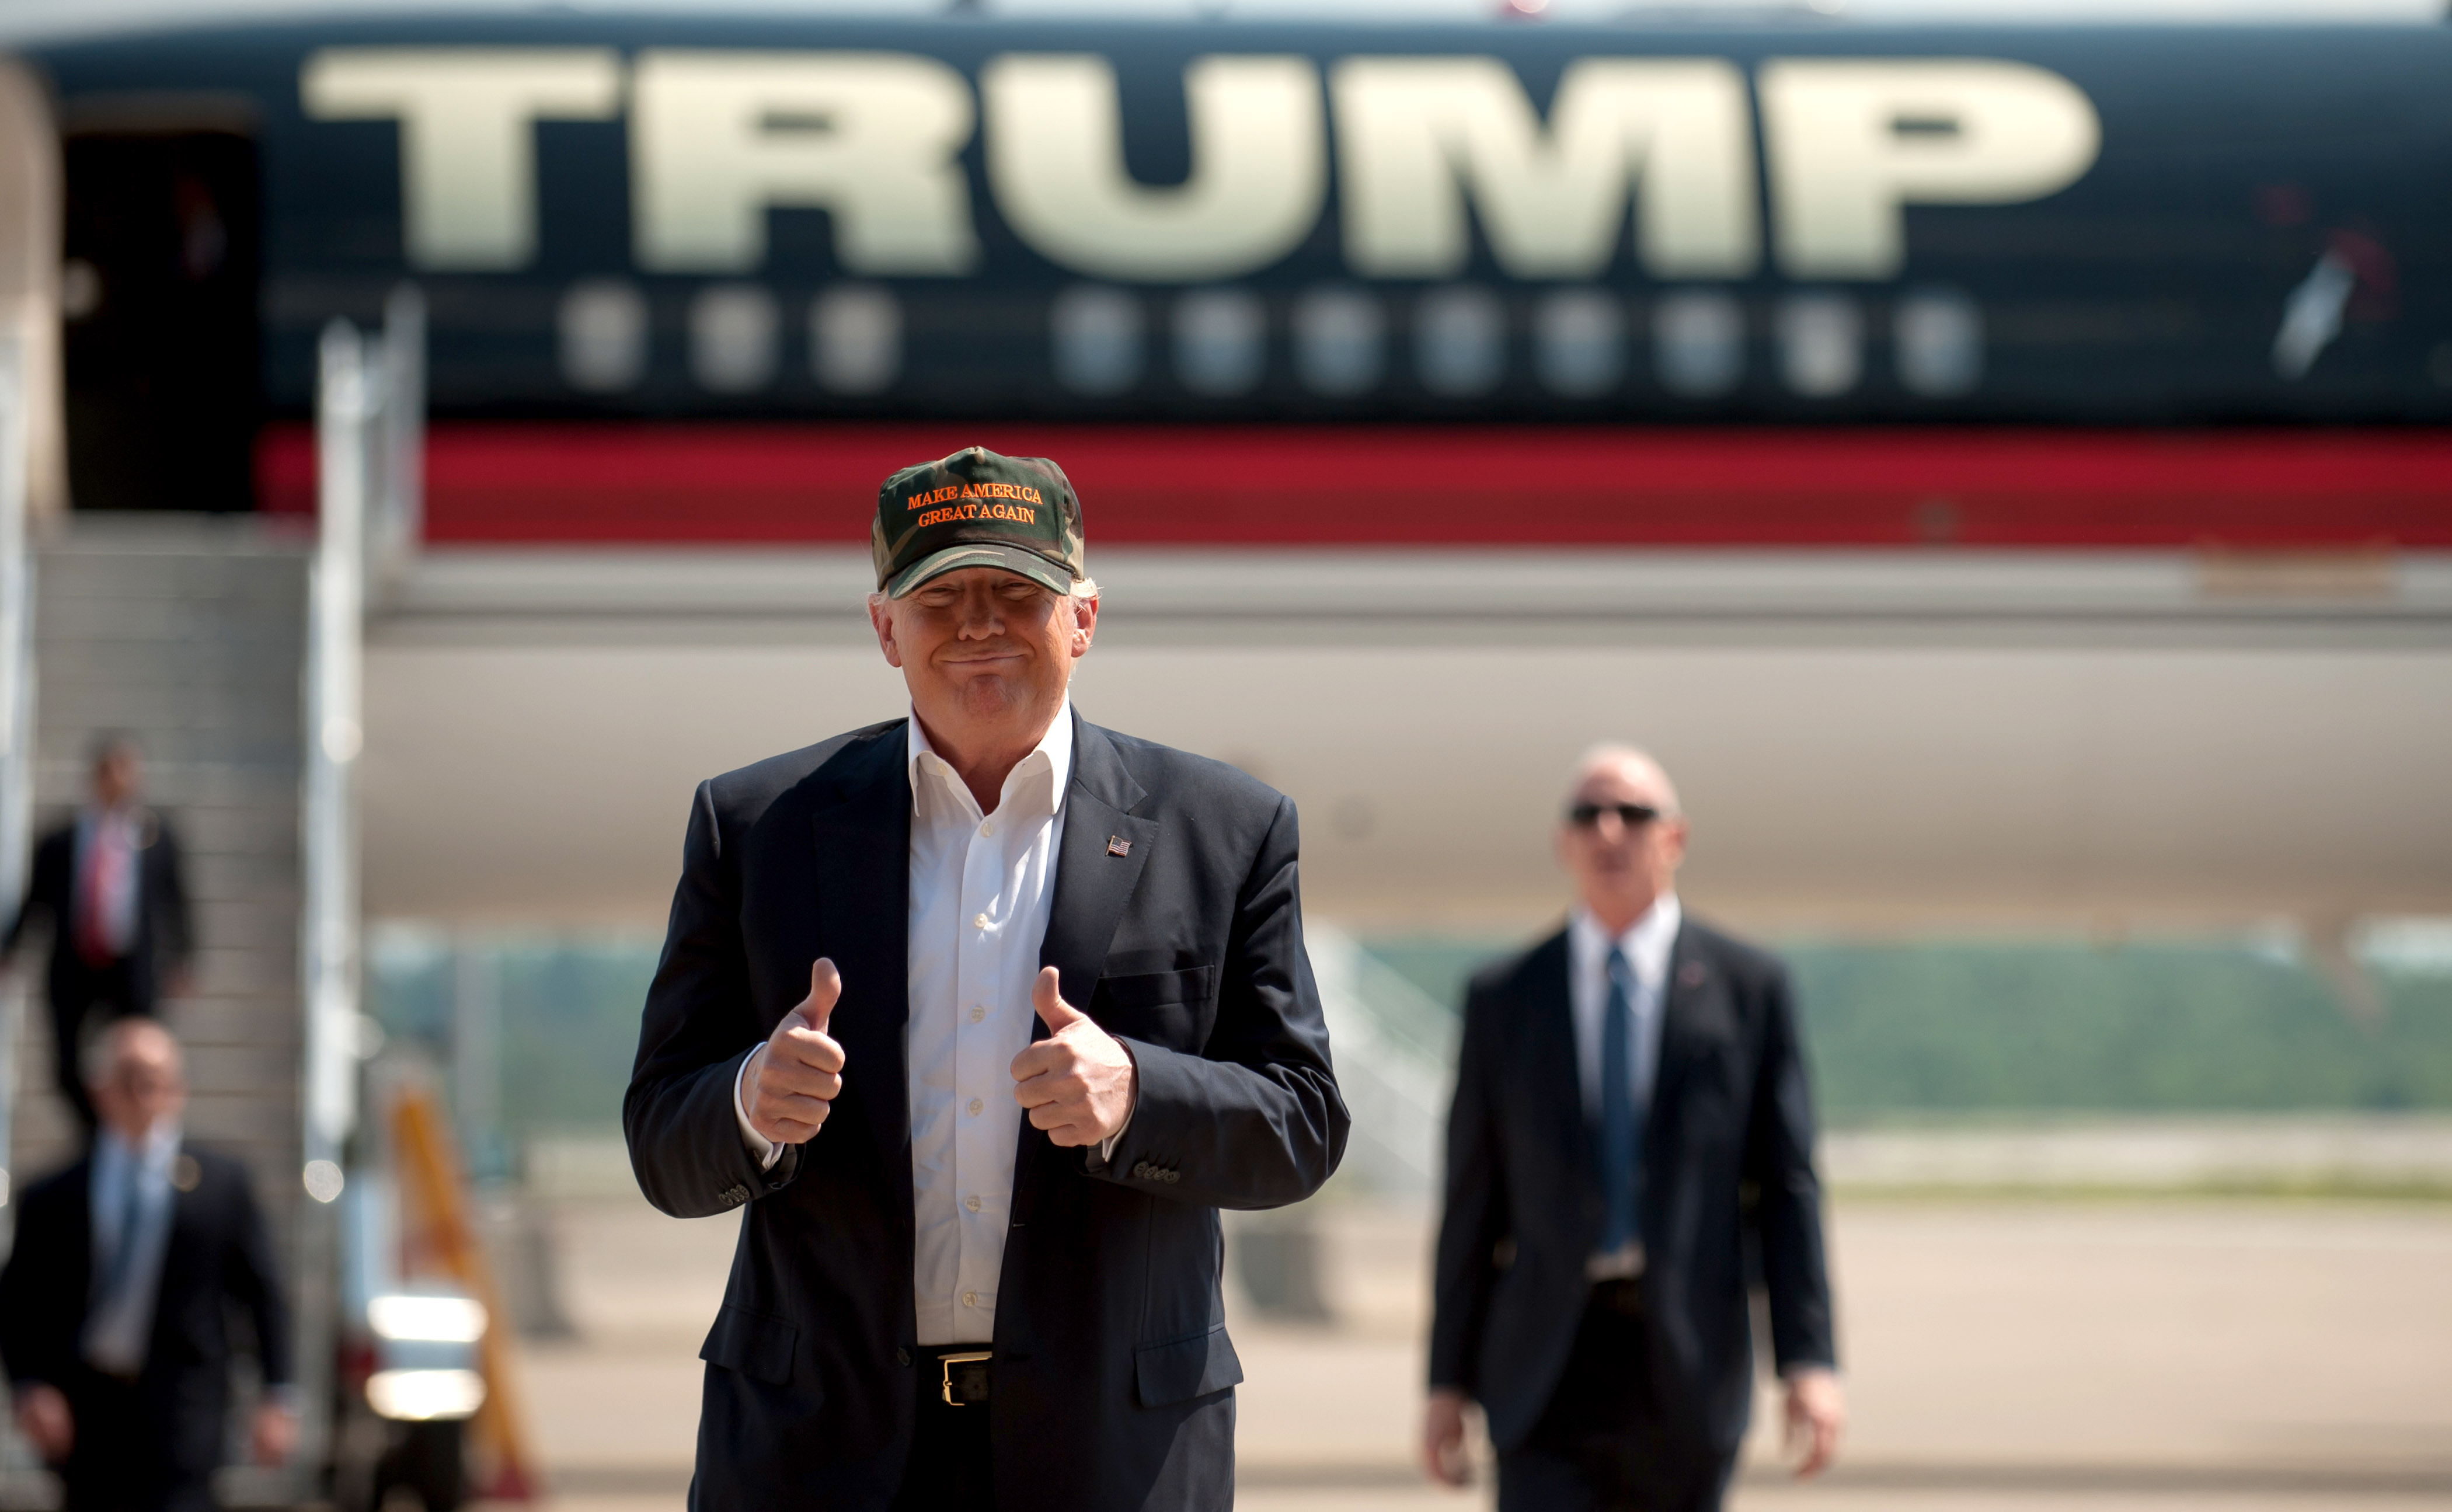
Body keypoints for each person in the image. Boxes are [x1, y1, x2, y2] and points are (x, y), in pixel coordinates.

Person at [624, 445, 1347, 1512]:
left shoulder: (1225, 830)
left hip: (1112, 1456)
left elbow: (1304, 1124)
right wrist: (747, 1103)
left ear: (1083, 618)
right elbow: (659, 1138)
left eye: (1015, 592)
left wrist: (1137, 1095)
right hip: (817, 1453)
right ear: (885, 628)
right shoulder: (756, 828)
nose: (976, 625)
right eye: (939, 597)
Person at [1422, 745, 1843, 1511]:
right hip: (1545, 1369)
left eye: (1633, 813)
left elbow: (1789, 1190)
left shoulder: (1750, 989)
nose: (1608, 830)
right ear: (1563, 843)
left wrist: (1808, 1361)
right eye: (1587, 814)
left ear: (1675, 837)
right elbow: (1471, 1202)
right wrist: (1445, 1380)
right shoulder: (1505, 997)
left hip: (1687, 1363)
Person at [0, 1018, 297, 1512]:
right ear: (100, 1090)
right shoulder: (53, 1193)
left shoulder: (221, 1185)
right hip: (87, 1414)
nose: (143, 1093)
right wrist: (30, 1385)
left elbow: (263, 1293)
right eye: (129, 1078)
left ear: (178, 1090)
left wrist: (277, 1397)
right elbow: (17, 1299)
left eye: (155, 1079)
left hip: (185, 1412)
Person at [3, 733, 194, 1135]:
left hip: (132, 967)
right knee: (66, 1066)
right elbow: (36, 901)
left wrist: (182, 956)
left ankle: (130, 1132)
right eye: (110, 770)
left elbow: (175, 901)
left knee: (138, 1056)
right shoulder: (60, 840)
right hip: (74, 965)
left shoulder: (157, 836)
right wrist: (10, 951)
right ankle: (99, 1137)